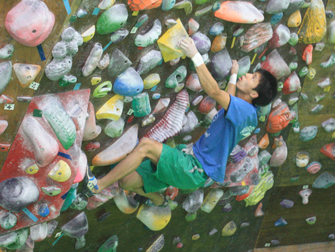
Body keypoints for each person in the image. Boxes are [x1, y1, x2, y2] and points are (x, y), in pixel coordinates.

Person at [84, 36, 278, 207]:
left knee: (146, 146)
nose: (248, 74)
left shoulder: (244, 110)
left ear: (254, 93)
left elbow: (214, 92)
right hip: (189, 166)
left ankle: (97, 185)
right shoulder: (248, 114)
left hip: (192, 168)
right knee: (126, 180)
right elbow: (228, 101)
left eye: (253, 77)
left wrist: (195, 55)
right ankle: (156, 198)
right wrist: (234, 75)